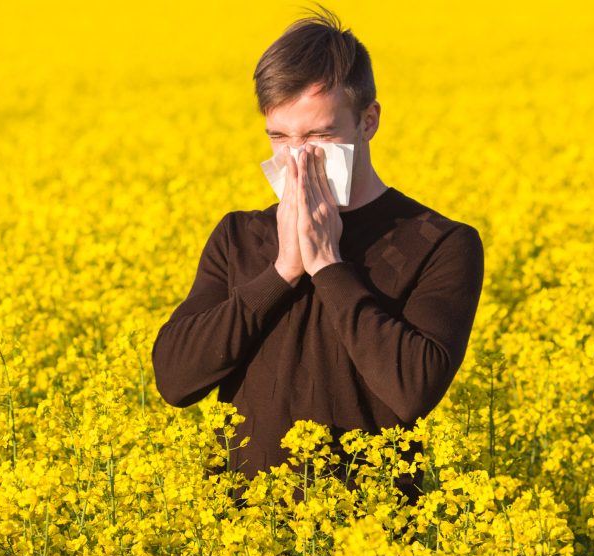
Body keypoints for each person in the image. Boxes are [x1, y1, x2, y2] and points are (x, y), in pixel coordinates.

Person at [151, 6, 484, 506]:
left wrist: (329, 264)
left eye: (318, 136)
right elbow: (175, 380)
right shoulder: (241, 235)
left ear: (368, 121)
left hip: (374, 544)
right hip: (242, 545)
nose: (295, 158)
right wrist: (282, 270)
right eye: (279, 137)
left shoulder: (439, 243)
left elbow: (413, 388)